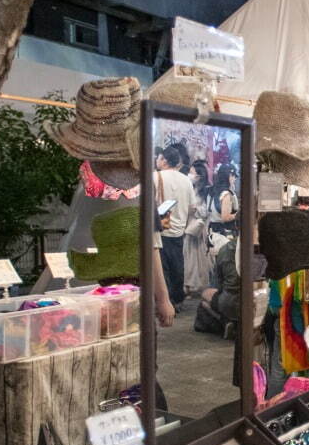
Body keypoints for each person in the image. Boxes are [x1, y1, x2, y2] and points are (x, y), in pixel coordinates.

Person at [52, 77, 176, 328]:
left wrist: (162, 298)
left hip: (125, 291)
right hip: (90, 289)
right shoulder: (87, 179)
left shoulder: (140, 181)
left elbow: (151, 243)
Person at [154, 144, 197, 307]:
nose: (157, 160)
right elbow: (193, 207)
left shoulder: (155, 176)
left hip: (160, 229)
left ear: (164, 160)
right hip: (179, 230)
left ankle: (165, 301)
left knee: (162, 268)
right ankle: (177, 300)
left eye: (159, 158)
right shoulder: (186, 180)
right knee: (177, 265)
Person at [183, 161, 214, 297]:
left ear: (200, 176)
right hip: (190, 226)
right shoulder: (190, 188)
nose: (190, 175)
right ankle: (189, 284)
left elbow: (207, 211)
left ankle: (199, 285)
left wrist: (195, 209)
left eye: (193, 172)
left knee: (199, 258)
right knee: (189, 257)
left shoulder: (207, 190)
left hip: (199, 229)